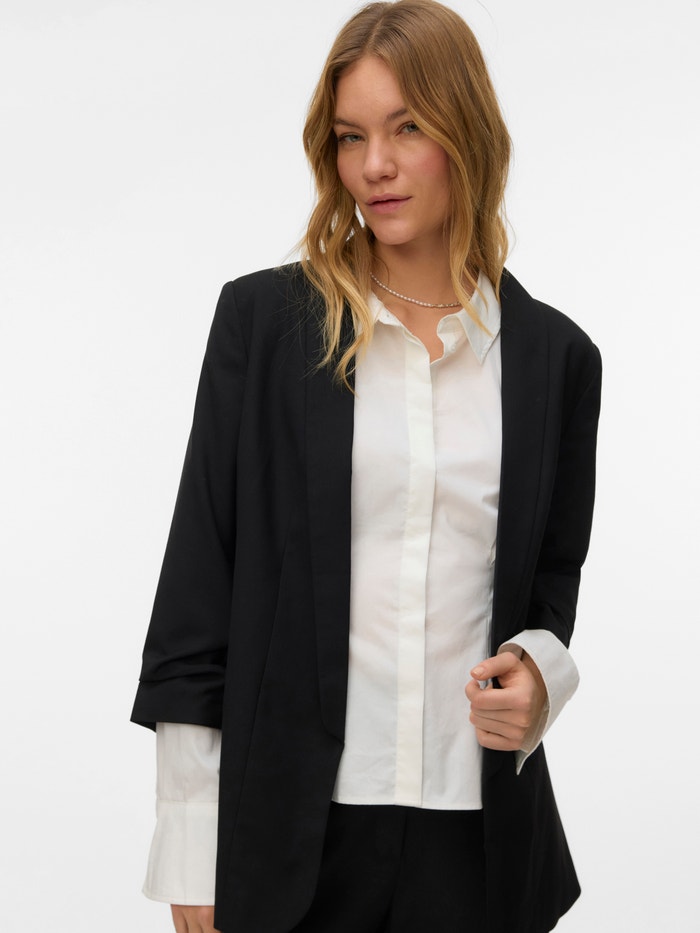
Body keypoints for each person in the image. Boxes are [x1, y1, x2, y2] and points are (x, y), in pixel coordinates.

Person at [131, 1, 602, 931]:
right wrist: (191, 840)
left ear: (467, 133)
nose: (374, 165)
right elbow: (197, 595)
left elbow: (550, 588)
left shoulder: (558, 360)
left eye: (407, 127)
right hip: (294, 841)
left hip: (480, 846)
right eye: (352, 136)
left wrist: (541, 676)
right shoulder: (265, 328)